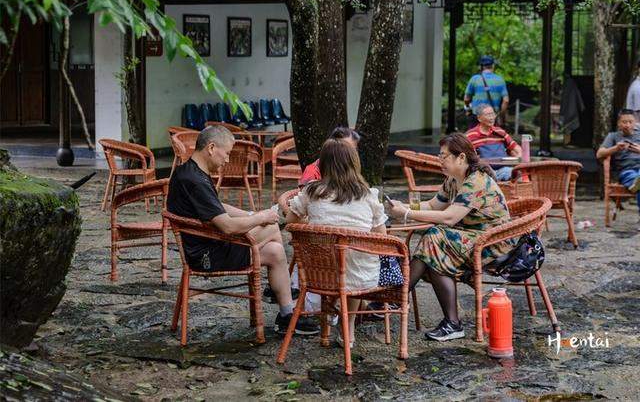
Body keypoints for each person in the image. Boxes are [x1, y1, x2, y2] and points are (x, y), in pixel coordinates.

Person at [166, 125, 318, 335]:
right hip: (206, 255)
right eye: (227, 153)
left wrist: (250, 215)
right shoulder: (195, 181)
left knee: (275, 252)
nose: (227, 160)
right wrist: (261, 217)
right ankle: (284, 293)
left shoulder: (190, 171)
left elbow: (218, 207)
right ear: (211, 148)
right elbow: (227, 226)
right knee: (273, 227)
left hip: (210, 245)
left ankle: (285, 313)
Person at [387, 133, 514, 342]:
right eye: (440, 155)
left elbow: (449, 217)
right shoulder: (454, 179)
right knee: (434, 246)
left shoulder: (476, 181)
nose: (440, 160)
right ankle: (448, 322)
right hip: (471, 236)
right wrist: (404, 206)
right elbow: (434, 205)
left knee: (435, 237)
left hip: (494, 243)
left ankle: (396, 296)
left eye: (444, 156)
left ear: (461, 158)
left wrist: (408, 215)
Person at [286, 138, 396, 347]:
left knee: (336, 258)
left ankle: (330, 313)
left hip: (318, 273)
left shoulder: (311, 192)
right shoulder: (367, 195)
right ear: (354, 163)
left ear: (324, 164)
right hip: (361, 275)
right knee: (355, 260)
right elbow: (381, 237)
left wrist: (314, 221)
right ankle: (349, 326)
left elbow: (290, 221)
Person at [596, 109, 640, 223]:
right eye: (624, 122)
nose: (627, 125)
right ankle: (636, 182)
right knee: (636, 180)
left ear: (635, 122)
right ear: (619, 123)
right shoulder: (613, 136)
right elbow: (599, 154)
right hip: (627, 171)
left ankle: (636, 183)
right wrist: (615, 148)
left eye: (630, 122)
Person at [465, 103, 522, 181]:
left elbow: (518, 149)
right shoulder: (470, 135)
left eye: (493, 114)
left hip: (503, 170)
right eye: (488, 115)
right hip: (482, 173)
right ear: (479, 118)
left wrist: (517, 162)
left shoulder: (500, 132)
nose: (492, 117)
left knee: (518, 174)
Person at [464, 55, 509, 128]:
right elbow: (506, 101)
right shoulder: (500, 80)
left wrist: (468, 109)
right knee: (492, 138)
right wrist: (501, 115)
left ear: (481, 66)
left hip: (477, 116)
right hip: (492, 116)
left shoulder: (474, 79)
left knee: (474, 138)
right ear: (493, 65)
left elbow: (466, 99)